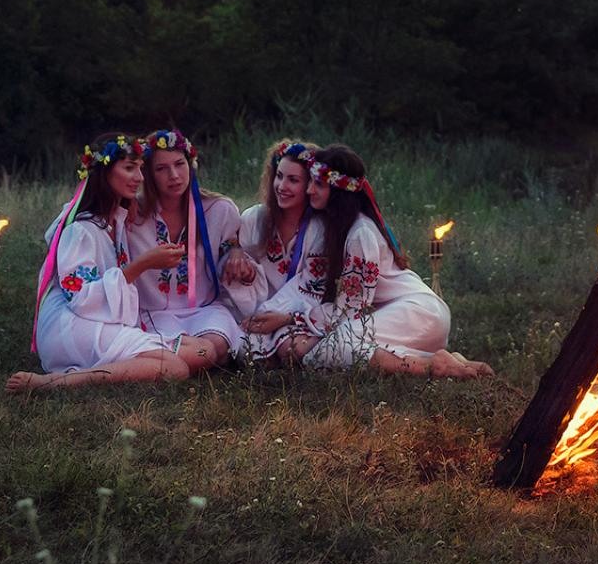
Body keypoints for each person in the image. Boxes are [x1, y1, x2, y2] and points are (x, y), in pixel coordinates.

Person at [249, 143, 493, 379]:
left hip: (417, 314)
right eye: (311, 182)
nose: (310, 190)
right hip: (390, 314)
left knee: (328, 352)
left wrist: (291, 319)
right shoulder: (336, 229)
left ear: (339, 191)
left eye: (319, 184)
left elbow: (350, 310)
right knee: (324, 350)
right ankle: (445, 360)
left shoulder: (360, 234)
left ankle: (433, 366)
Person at [5, 134, 196, 393]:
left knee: (189, 354)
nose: (140, 177)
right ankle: (51, 383)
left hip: (94, 320)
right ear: (104, 173)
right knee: (176, 368)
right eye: (129, 168)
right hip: (68, 324)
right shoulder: (81, 229)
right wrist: (143, 264)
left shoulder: (113, 220)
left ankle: (94, 369)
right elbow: (81, 297)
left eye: (140, 168)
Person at [126, 129, 250, 372]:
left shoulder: (219, 209)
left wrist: (237, 250)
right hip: (154, 313)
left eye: (179, 164)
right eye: (161, 169)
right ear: (148, 174)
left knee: (215, 346)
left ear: (191, 165)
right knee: (205, 353)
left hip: (205, 310)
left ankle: (172, 363)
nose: (174, 175)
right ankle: (180, 362)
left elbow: (234, 243)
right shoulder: (133, 215)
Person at [235, 139, 319, 364]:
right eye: (279, 176)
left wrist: (285, 318)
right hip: (258, 313)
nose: (282, 186)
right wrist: (236, 257)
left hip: (296, 316)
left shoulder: (320, 229)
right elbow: (233, 254)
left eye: (293, 180)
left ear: (311, 185)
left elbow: (318, 290)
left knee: (291, 350)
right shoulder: (255, 218)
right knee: (245, 352)